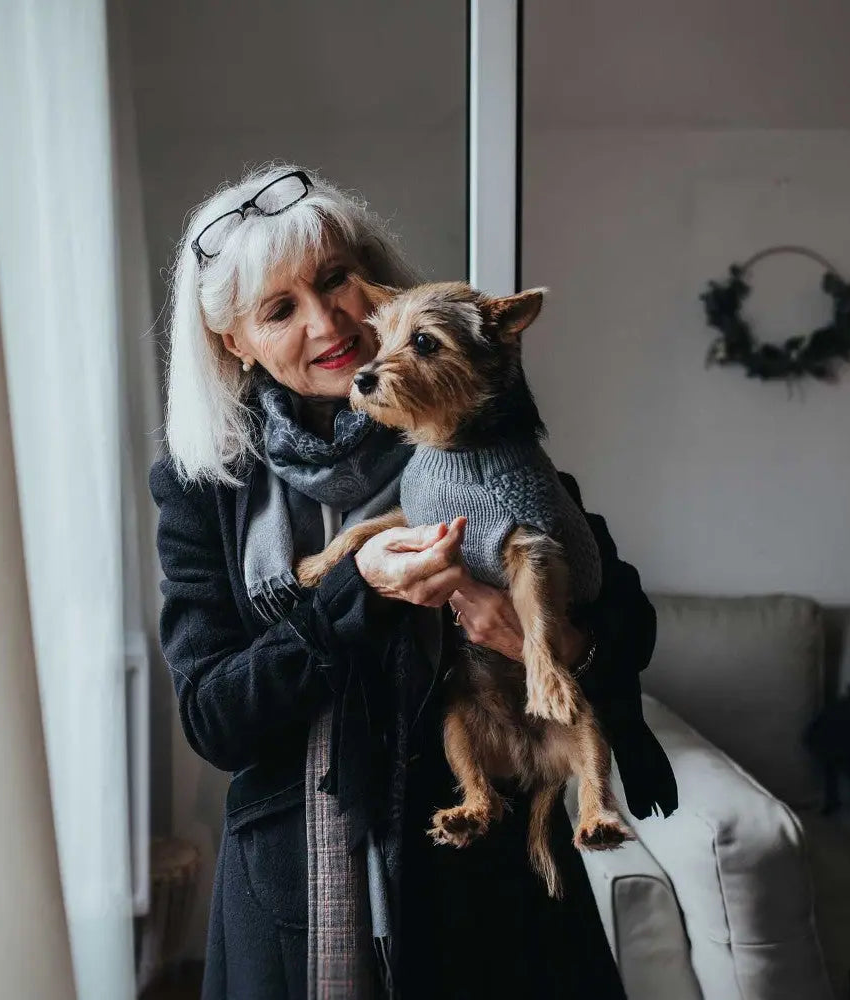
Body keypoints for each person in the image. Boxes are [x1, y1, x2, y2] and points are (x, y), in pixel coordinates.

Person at [150, 164, 677, 1000]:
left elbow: (625, 615)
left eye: (333, 283)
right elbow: (216, 720)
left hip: (493, 880)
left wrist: (549, 640)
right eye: (280, 310)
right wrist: (350, 590)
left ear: (373, 280)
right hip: (300, 889)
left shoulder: (464, 416)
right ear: (234, 343)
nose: (329, 323)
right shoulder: (207, 488)